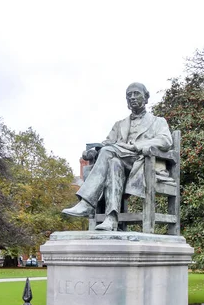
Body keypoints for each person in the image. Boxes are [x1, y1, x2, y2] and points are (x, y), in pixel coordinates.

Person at [62, 82, 173, 231]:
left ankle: (87, 203)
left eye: (136, 94)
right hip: (121, 164)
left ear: (146, 97)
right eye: (129, 95)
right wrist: (94, 151)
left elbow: (165, 140)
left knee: (108, 152)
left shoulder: (158, 122)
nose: (132, 97)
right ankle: (111, 219)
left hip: (142, 163)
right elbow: (107, 143)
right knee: (113, 162)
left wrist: (138, 146)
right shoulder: (119, 125)